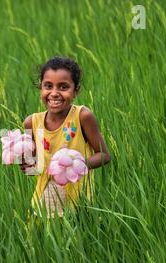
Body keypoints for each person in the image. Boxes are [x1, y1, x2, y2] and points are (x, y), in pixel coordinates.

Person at [21, 56, 111, 218]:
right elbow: (33, 169)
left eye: (63, 87)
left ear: (76, 90)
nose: (54, 93)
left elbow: (104, 155)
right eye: (48, 86)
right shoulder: (31, 122)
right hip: (44, 199)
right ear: (41, 87)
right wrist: (26, 164)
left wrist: (75, 166)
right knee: (42, 239)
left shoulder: (82, 116)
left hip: (78, 199)